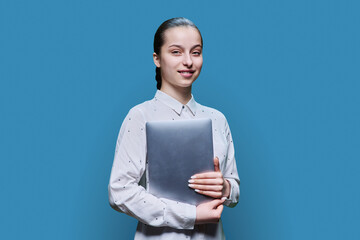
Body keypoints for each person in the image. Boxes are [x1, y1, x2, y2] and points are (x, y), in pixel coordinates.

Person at [108, 17, 240, 240]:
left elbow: (234, 191)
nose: (188, 61)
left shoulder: (218, 119)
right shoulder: (140, 117)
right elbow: (119, 191)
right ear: (157, 59)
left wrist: (225, 187)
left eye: (195, 52)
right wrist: (191, 214)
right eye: (176, 52)